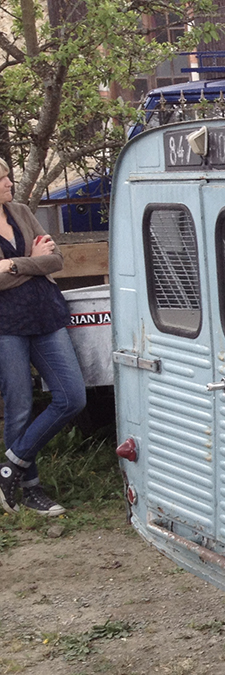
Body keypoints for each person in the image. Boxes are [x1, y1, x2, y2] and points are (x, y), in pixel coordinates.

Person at [0, 160, 86, 516]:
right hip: (6, 326)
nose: (9, 182)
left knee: (72, 397)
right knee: (19, 406)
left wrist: (14, 265)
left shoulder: (19, 212)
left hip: (46, 315)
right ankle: (28, 489)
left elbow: (56, 260)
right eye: (2, 178)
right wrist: (32, 261)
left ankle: (10, 467)